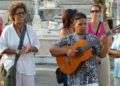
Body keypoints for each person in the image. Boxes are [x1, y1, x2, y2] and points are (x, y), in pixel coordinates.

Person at [50, 12, 109, 86]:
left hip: (91, 80)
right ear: (74, 25)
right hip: (74, 81)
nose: (83, 26)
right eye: (80, 24)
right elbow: (52, 49)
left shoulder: (93, 39)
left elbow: (102, 55)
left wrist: (105, 44)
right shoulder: (68, 39)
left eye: (85, 24)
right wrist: (67, 51)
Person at [0, 2, 39, 86]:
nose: (21, 15)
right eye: (19, 13)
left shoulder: (30, 30)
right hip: (12, 68)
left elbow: (37, 46)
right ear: (13, 15)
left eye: (23, 13)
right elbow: (1, 48)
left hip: (28, 68)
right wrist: (16, 51)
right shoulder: (7, 30)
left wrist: (31, 48)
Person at [87, 4, 112, 86]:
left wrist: (103, 43)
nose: (94, 13)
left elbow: (109, 42)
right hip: (89, 57)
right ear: (90, 13)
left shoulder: (104, 25)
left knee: (103, 82)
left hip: (103, 56)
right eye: (92, 11)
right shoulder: (87, 25)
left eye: (96, 11)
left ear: (100, 13)